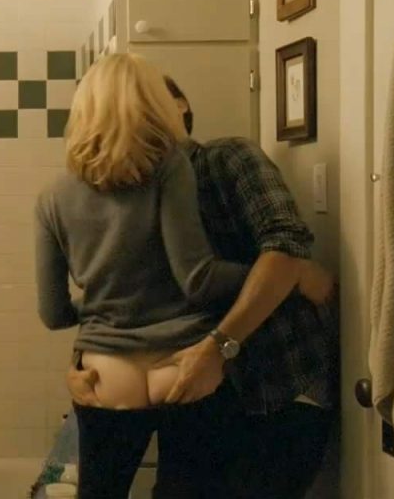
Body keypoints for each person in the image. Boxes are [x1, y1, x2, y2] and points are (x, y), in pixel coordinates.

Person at [35, 54, 332, 499]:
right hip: (180, 361)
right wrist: (292, 276)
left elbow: (53, 312)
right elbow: (196, 278)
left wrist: (100, 317)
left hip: (118, 368)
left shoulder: (52, 196)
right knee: (186, 486)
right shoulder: (169, 169)